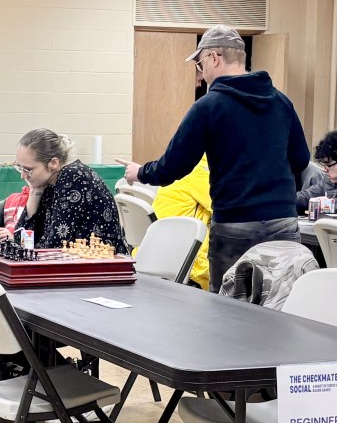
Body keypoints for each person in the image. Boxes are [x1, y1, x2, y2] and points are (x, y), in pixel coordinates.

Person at [117, 25, 310, 292]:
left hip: (235, 226)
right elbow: (301, 159)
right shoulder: (282, 102)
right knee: (279, 304)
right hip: (283, 224)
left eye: (199, 64)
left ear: (214, 58)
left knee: (227, 309)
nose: (200, 73)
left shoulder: (209, 106)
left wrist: (140, 173)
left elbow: (174, 166)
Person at [16, 129, 128, 254]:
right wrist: (34, 193)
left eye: (28, 170)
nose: (23, 175)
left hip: (104, 261)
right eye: (20, 168)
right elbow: (20, 241)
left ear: (54, 163)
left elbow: (54, 245)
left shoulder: (72, 176)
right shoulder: (47, 183)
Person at [149, 156, 212, 289]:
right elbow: (227, 206)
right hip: (188, 262)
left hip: (157, 251)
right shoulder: (200, 170)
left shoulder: (182, 164)